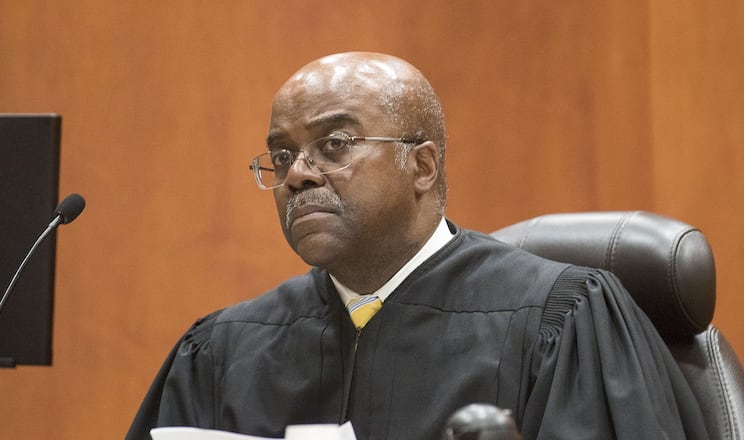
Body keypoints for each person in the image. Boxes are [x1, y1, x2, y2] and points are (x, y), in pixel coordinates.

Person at [126, 52, 709, 440]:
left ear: (422, 165)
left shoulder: (561, 322)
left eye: (334, 144)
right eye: (281, 156)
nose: (298, 174)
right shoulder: (221, 352)